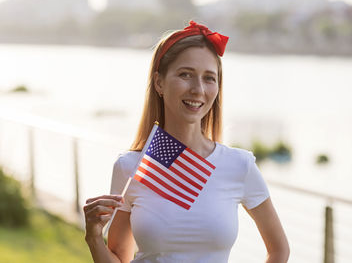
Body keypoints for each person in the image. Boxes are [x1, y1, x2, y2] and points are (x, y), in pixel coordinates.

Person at [83, 20, 290, 263]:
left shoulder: (239, 165)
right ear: (159, 82)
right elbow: (120, 257)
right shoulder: (130, 167)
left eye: (209, 78)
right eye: (185, 75)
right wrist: (94, 238)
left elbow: (278, 250)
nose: (198, 89)